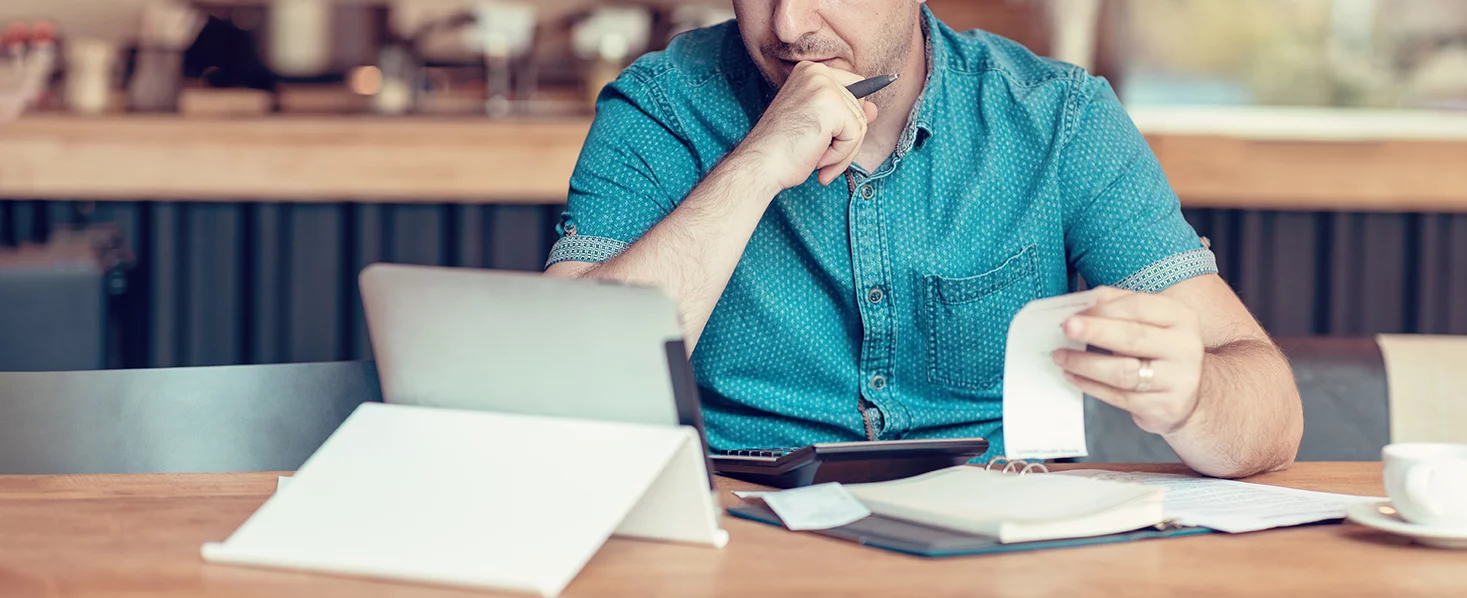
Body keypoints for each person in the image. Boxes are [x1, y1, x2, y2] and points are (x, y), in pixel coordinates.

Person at [544, 0, 1302, 478]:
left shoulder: (1056, 119)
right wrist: (755, 165)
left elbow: (1271, 419)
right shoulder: (662, 107)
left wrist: (1193, 394)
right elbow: (557, 386)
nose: (786, 25)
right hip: (738, 541)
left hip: (990, 548)